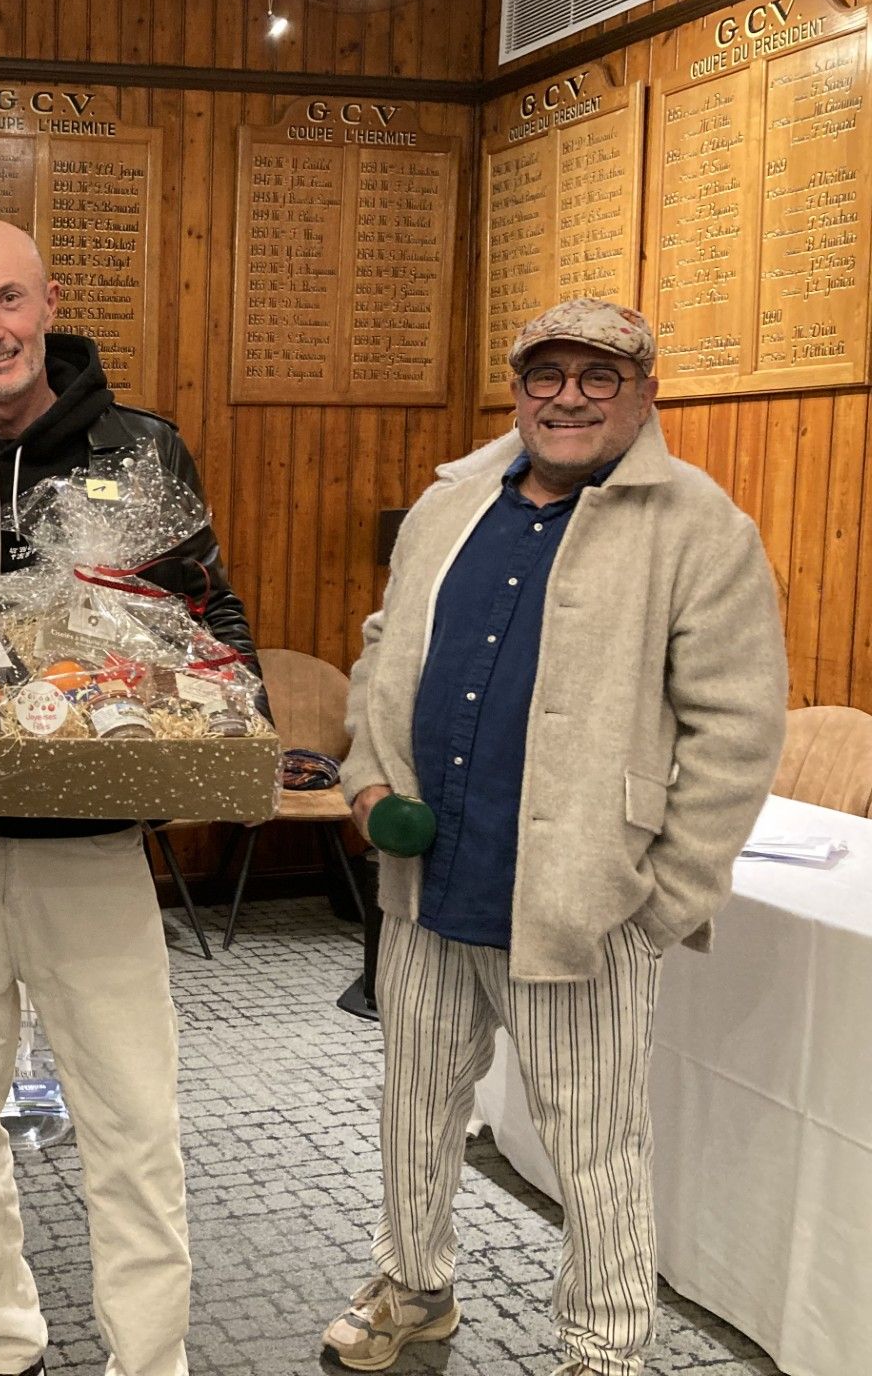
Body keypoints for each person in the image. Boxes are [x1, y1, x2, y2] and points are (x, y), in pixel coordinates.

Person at [322, 298, 788, 1376]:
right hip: (429, 886)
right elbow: (385, 650)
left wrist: (665, 897)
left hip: (585, 899)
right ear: (519, 387)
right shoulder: (450, 503)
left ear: (644, 393)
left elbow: (738, 729)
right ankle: (412, 1288)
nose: (568, 396)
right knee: (414, 1111)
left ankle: (606, 1346)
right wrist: (368, 774)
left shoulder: (699, 527)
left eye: (598, 376)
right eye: (547, 374)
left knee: (596, 1142)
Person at [0, 217, 265, 1376]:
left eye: (8, 300)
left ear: (48, 303)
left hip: (90, 848)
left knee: (132, 1124)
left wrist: (236, 718)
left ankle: (151, 1360)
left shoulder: (142, 450)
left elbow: (206, 614)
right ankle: (6, 1349)